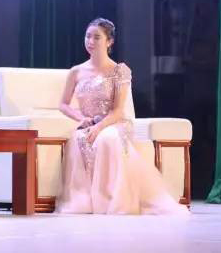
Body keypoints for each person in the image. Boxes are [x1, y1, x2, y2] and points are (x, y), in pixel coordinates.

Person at [55, 18, 188, 215]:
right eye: (88, 36)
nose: (90, 41)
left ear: (109, 42)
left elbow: (118, 110)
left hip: (114, 123)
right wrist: (81, 118)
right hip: (88, 124)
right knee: (79, 138)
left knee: (107, 138)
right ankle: (88, 200)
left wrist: (99, 127)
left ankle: (111, 200)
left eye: (97, 37)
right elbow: (63, 104)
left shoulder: (120, 71)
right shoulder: (76, 71)